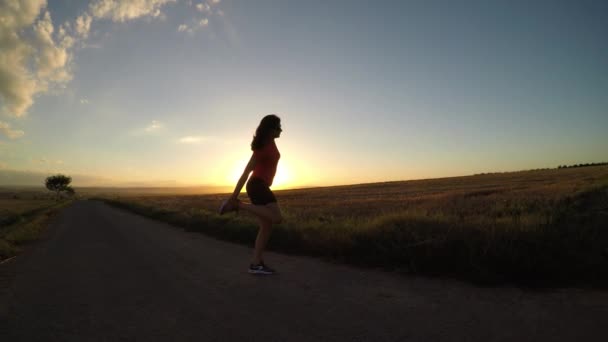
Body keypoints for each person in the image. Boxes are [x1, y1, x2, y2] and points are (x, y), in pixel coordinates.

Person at [219, 114, 284, 275]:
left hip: (261, 186)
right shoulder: (261, 148)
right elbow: (246, 172)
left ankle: (255, 264)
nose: (281, 129)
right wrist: (234, 197)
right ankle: (239, 205)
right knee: (276, 218)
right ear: (270, 129)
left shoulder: (270, 142)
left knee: (266, 226)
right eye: (278, 127)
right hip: (257, 185)